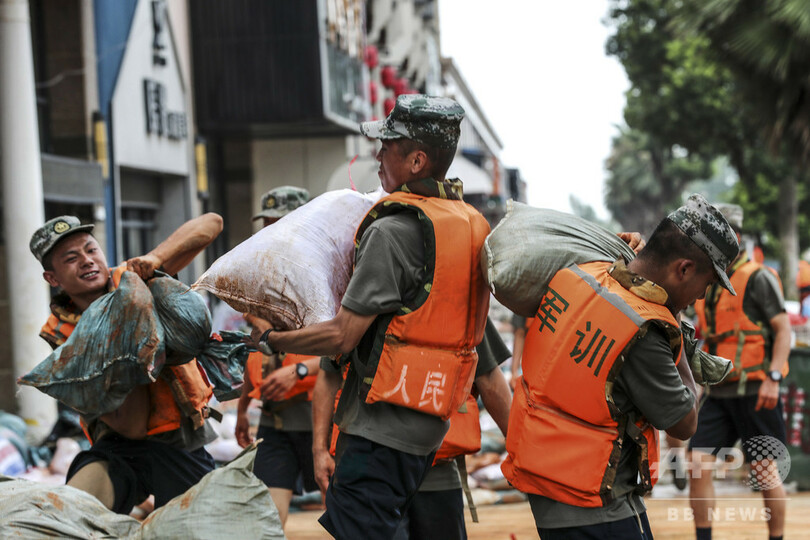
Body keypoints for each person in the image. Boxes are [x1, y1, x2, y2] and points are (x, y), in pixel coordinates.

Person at [250, 94, 491, 539]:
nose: (378, 155)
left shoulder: (391, 231)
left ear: (416, 161)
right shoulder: (466, 225)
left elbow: (342, 337)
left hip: (378, 437)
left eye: (388, 145)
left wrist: (272, 341)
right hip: (428, 431)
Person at [502, 194, 740, 540]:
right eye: (706, 284)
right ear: (684, 269)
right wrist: (673, 320)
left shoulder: (584, 273)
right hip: (596, 504)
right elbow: (684, 423)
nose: (701, 296)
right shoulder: (644, 331)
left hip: (546, 486)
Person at [30, 212, 223, 514]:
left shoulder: (132, 281)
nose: (87, 261)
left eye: (91, 250)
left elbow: (212, 223)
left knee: (193, 528)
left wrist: (155, 258)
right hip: (119, 444)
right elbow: (131, 427)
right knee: (70, 515)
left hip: (179, 438)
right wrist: (130, 339)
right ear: (52, 279)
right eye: (71, 258)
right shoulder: (64, 337)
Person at [689, 203, 791, 540]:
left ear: (733, 236)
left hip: (757, 390)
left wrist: (774, 378)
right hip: (718, 392)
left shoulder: (758, 277)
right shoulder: (706, 278)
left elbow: (783, 331)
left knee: (764, 470)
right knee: (697, 464)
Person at [233, 185, 322, 528]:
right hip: (275, 422)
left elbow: (345, 349)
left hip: (323, 419)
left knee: (347, 517)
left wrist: (298, 371)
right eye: (267, 223)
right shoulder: (261, 276)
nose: (272, 230)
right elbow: (258, 353)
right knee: (267, 520)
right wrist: (243, 409)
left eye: (279, 222)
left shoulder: (327, 272)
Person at [393, 317, 513, 540]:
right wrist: (520, 450)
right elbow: (489, 380)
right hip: (399, 468)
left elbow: (489, 378)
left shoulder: (466, 304)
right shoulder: (463, 303)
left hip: (412, 467)